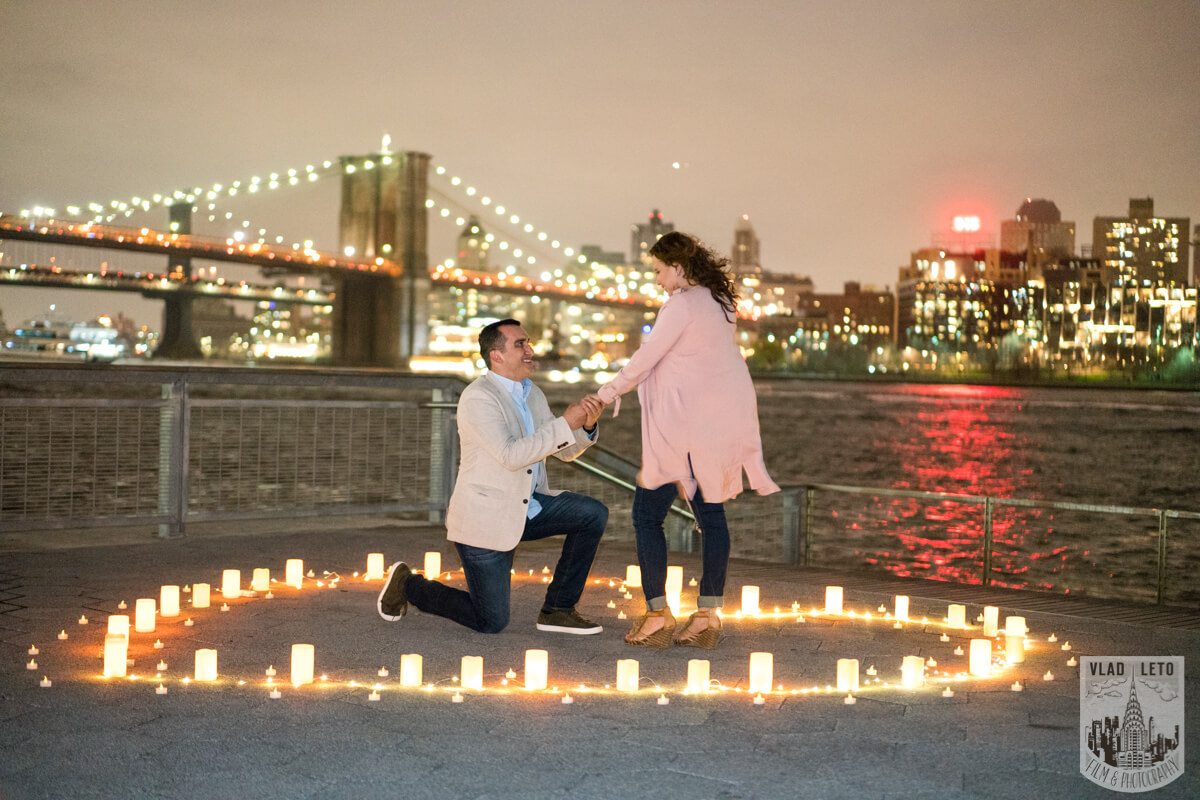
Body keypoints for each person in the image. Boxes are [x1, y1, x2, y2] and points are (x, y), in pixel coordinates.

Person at [596, 232, 778, 649]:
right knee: (712, 520)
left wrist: (607, 393)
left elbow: (648, 357)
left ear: (677, 267)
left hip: (681, 432)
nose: (657, 281)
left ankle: (658, 614)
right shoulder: (721, 302)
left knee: (646, 518)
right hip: (716, 427)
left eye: (659, 271)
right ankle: (707, 616)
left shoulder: (680, 305)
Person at [377, 318, 609, 634]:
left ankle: (558, 610)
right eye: (520, 344)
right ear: (496, 356)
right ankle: (408, 585)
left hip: (528, 508)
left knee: (592, 514)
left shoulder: (533, 394)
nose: (530, 350)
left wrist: (584, 426)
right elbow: (510, 456)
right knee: (491, 621)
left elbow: (563, 450)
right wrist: (563, 424)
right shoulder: (478, 398)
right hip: (485, 519)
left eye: (528, 342)